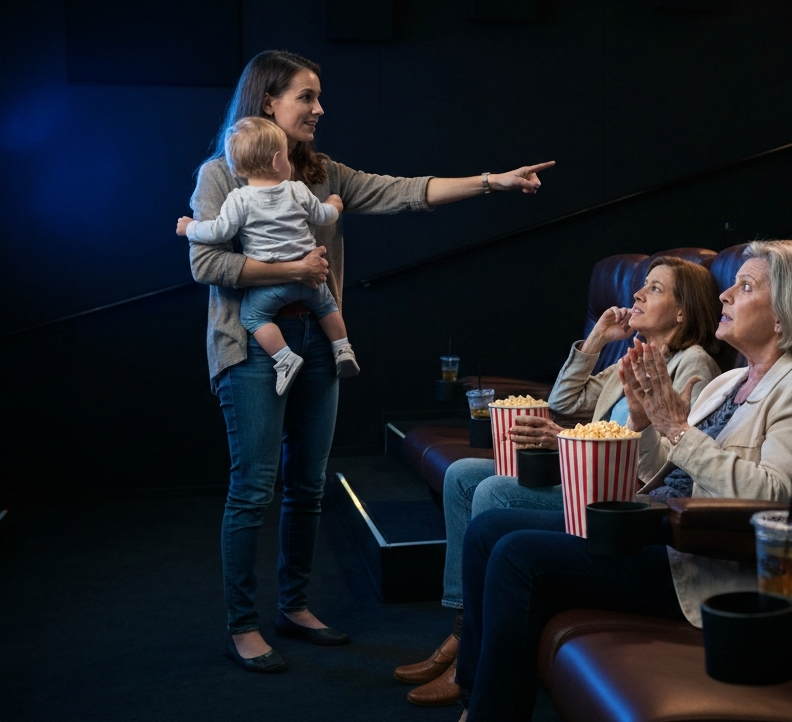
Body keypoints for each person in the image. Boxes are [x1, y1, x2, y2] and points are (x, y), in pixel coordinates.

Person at [188, 49, 554, 673]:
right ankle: (243, 625)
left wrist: (494, 181)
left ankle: (294, 607)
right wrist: (294, 269)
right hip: (252, 343)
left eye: (318, 97)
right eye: (307, 96)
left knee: (307, 486)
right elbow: (206, 264)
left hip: (318, 344)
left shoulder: (323, 174)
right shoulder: (220, 174)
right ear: (268, 103)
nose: (319, 108)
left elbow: (408, 193)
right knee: (253, 489)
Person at [452, 241, 792, 721]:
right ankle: (473, 698)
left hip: (698, 557)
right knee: (486, 530)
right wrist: (643, 424)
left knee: (517, 556)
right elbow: (666, 468)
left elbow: (775, 499)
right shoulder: (728, 382)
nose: (725, 295)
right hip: (646, 523)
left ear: (784, 315)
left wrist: (677, 429)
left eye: (745, 287)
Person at [395, 256, 722, 707]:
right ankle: (463, 626)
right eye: (641, 286)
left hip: (618, 495)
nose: (637, 296)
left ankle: (477, 648)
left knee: (491, 491)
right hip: (588, 471)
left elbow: (666, 468)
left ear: (683, 311)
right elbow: (566, 400)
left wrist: (564, 439)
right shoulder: (637, 355)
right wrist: (597, 340)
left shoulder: (695, 368)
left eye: (654, 289)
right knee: (463, 475)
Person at [178, 117, 356, 396]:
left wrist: (191, 228)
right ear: (277, 161)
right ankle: (343, 348)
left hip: (270, 287)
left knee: (252, 317)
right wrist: (334, 203)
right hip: (311, 279)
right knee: (327, 307)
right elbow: (324, 217)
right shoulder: (297, 190)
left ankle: (284, 357)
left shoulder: (239, 199)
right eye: (286, 155)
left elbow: (217, 231)